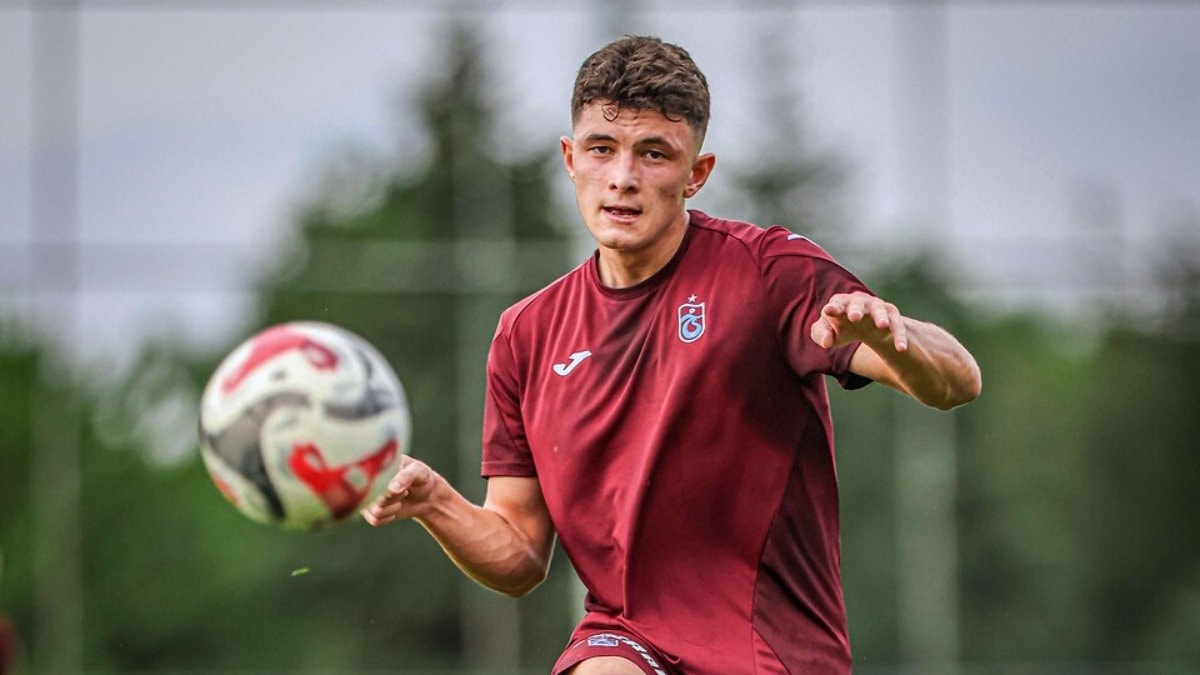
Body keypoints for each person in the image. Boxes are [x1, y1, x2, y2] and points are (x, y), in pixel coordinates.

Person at [363, 35, 981, 675]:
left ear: (697, 174)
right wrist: (434, 501)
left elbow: (957, 382)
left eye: (654, 154)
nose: (623, 178)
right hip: (626, 637)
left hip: (771, 654)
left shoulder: (766, 272)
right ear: (571, 158)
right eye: (602, 149)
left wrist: (895, 337)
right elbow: (519, 553)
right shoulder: (526, 334)